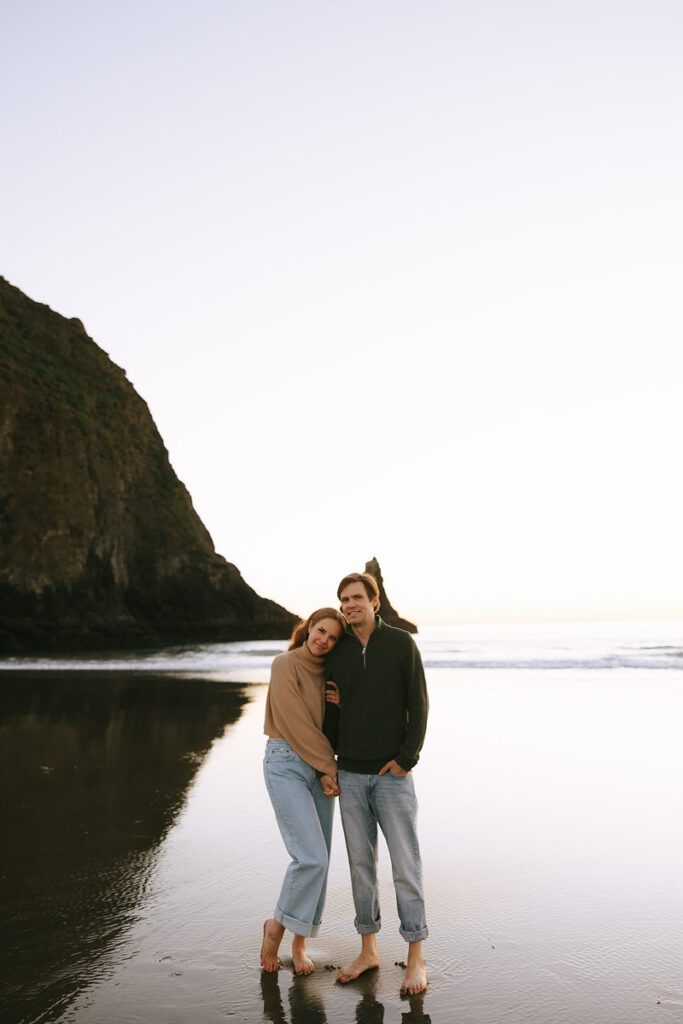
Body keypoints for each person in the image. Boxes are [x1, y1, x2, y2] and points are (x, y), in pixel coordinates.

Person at [324, 572, 429, 996]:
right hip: (349, 775)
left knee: (406, 867)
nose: (349, 605)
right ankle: (368, 950)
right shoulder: (340, 652)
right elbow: (330, 714)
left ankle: (416, 958)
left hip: (391, 778)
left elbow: (418, 704)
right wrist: (328, 764)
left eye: (356, 598)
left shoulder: (402, 644)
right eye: (343, 600)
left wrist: (406, 759)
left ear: (374, 601)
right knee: (361, 869)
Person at [261, 606, 346, 975]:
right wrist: (329, 767)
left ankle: (299, 944)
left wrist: (340, 708)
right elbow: (295, 724)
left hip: (320, 764)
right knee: (310, 857)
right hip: (286, 762)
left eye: (332, 637)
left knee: (322, 861)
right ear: (309, 627)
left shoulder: (330, 674)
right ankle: (275, 927)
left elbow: (329, 730)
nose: (323, 640)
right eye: (320, 631)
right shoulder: (284, 664)